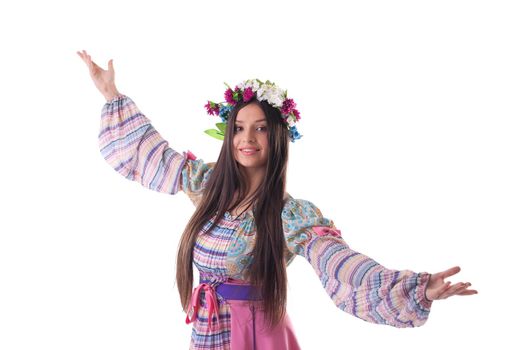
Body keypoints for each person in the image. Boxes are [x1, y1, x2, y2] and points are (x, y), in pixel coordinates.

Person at [77, 50, 478, 350]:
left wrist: (416, 289)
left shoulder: (290, 216)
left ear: (278, 138)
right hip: (209, 328)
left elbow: (341, 265)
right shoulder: (208, 186)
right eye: (238, 128)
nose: (246, 139)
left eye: (261, 129)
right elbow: (152, 155)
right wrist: (112, 96)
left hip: (255, 333)